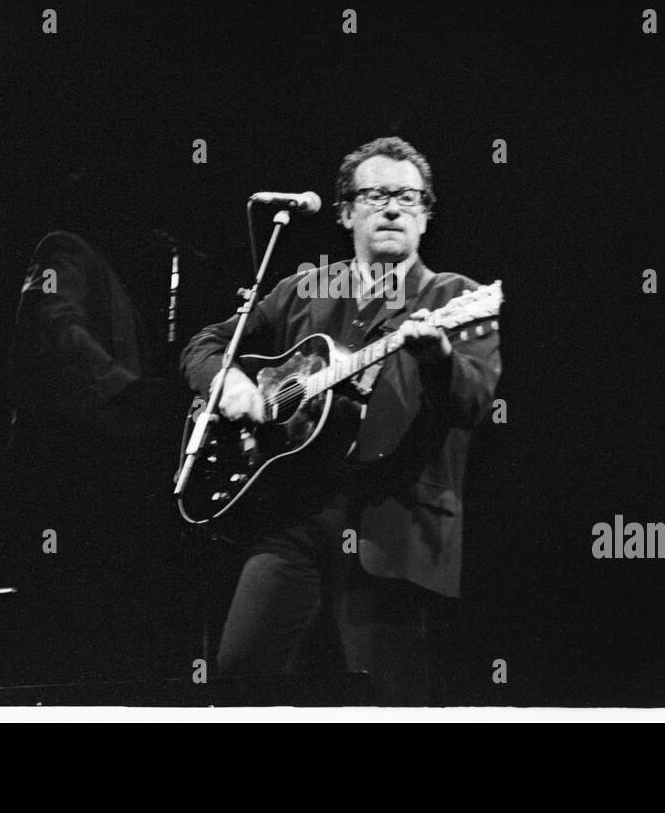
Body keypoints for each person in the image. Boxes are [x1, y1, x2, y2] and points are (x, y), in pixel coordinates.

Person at [180, 136, 501, 705]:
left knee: (386, 700)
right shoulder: (304, 289)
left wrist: (438, 358)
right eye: (375, 195)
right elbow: (208, 344)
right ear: (346, 211)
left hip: (393, 523)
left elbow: (474, 403)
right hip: (291, 518)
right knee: (239, 675)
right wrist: (228, 382)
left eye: (407, 197)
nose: (393, 207)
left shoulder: (457, 299)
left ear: (425, 216)